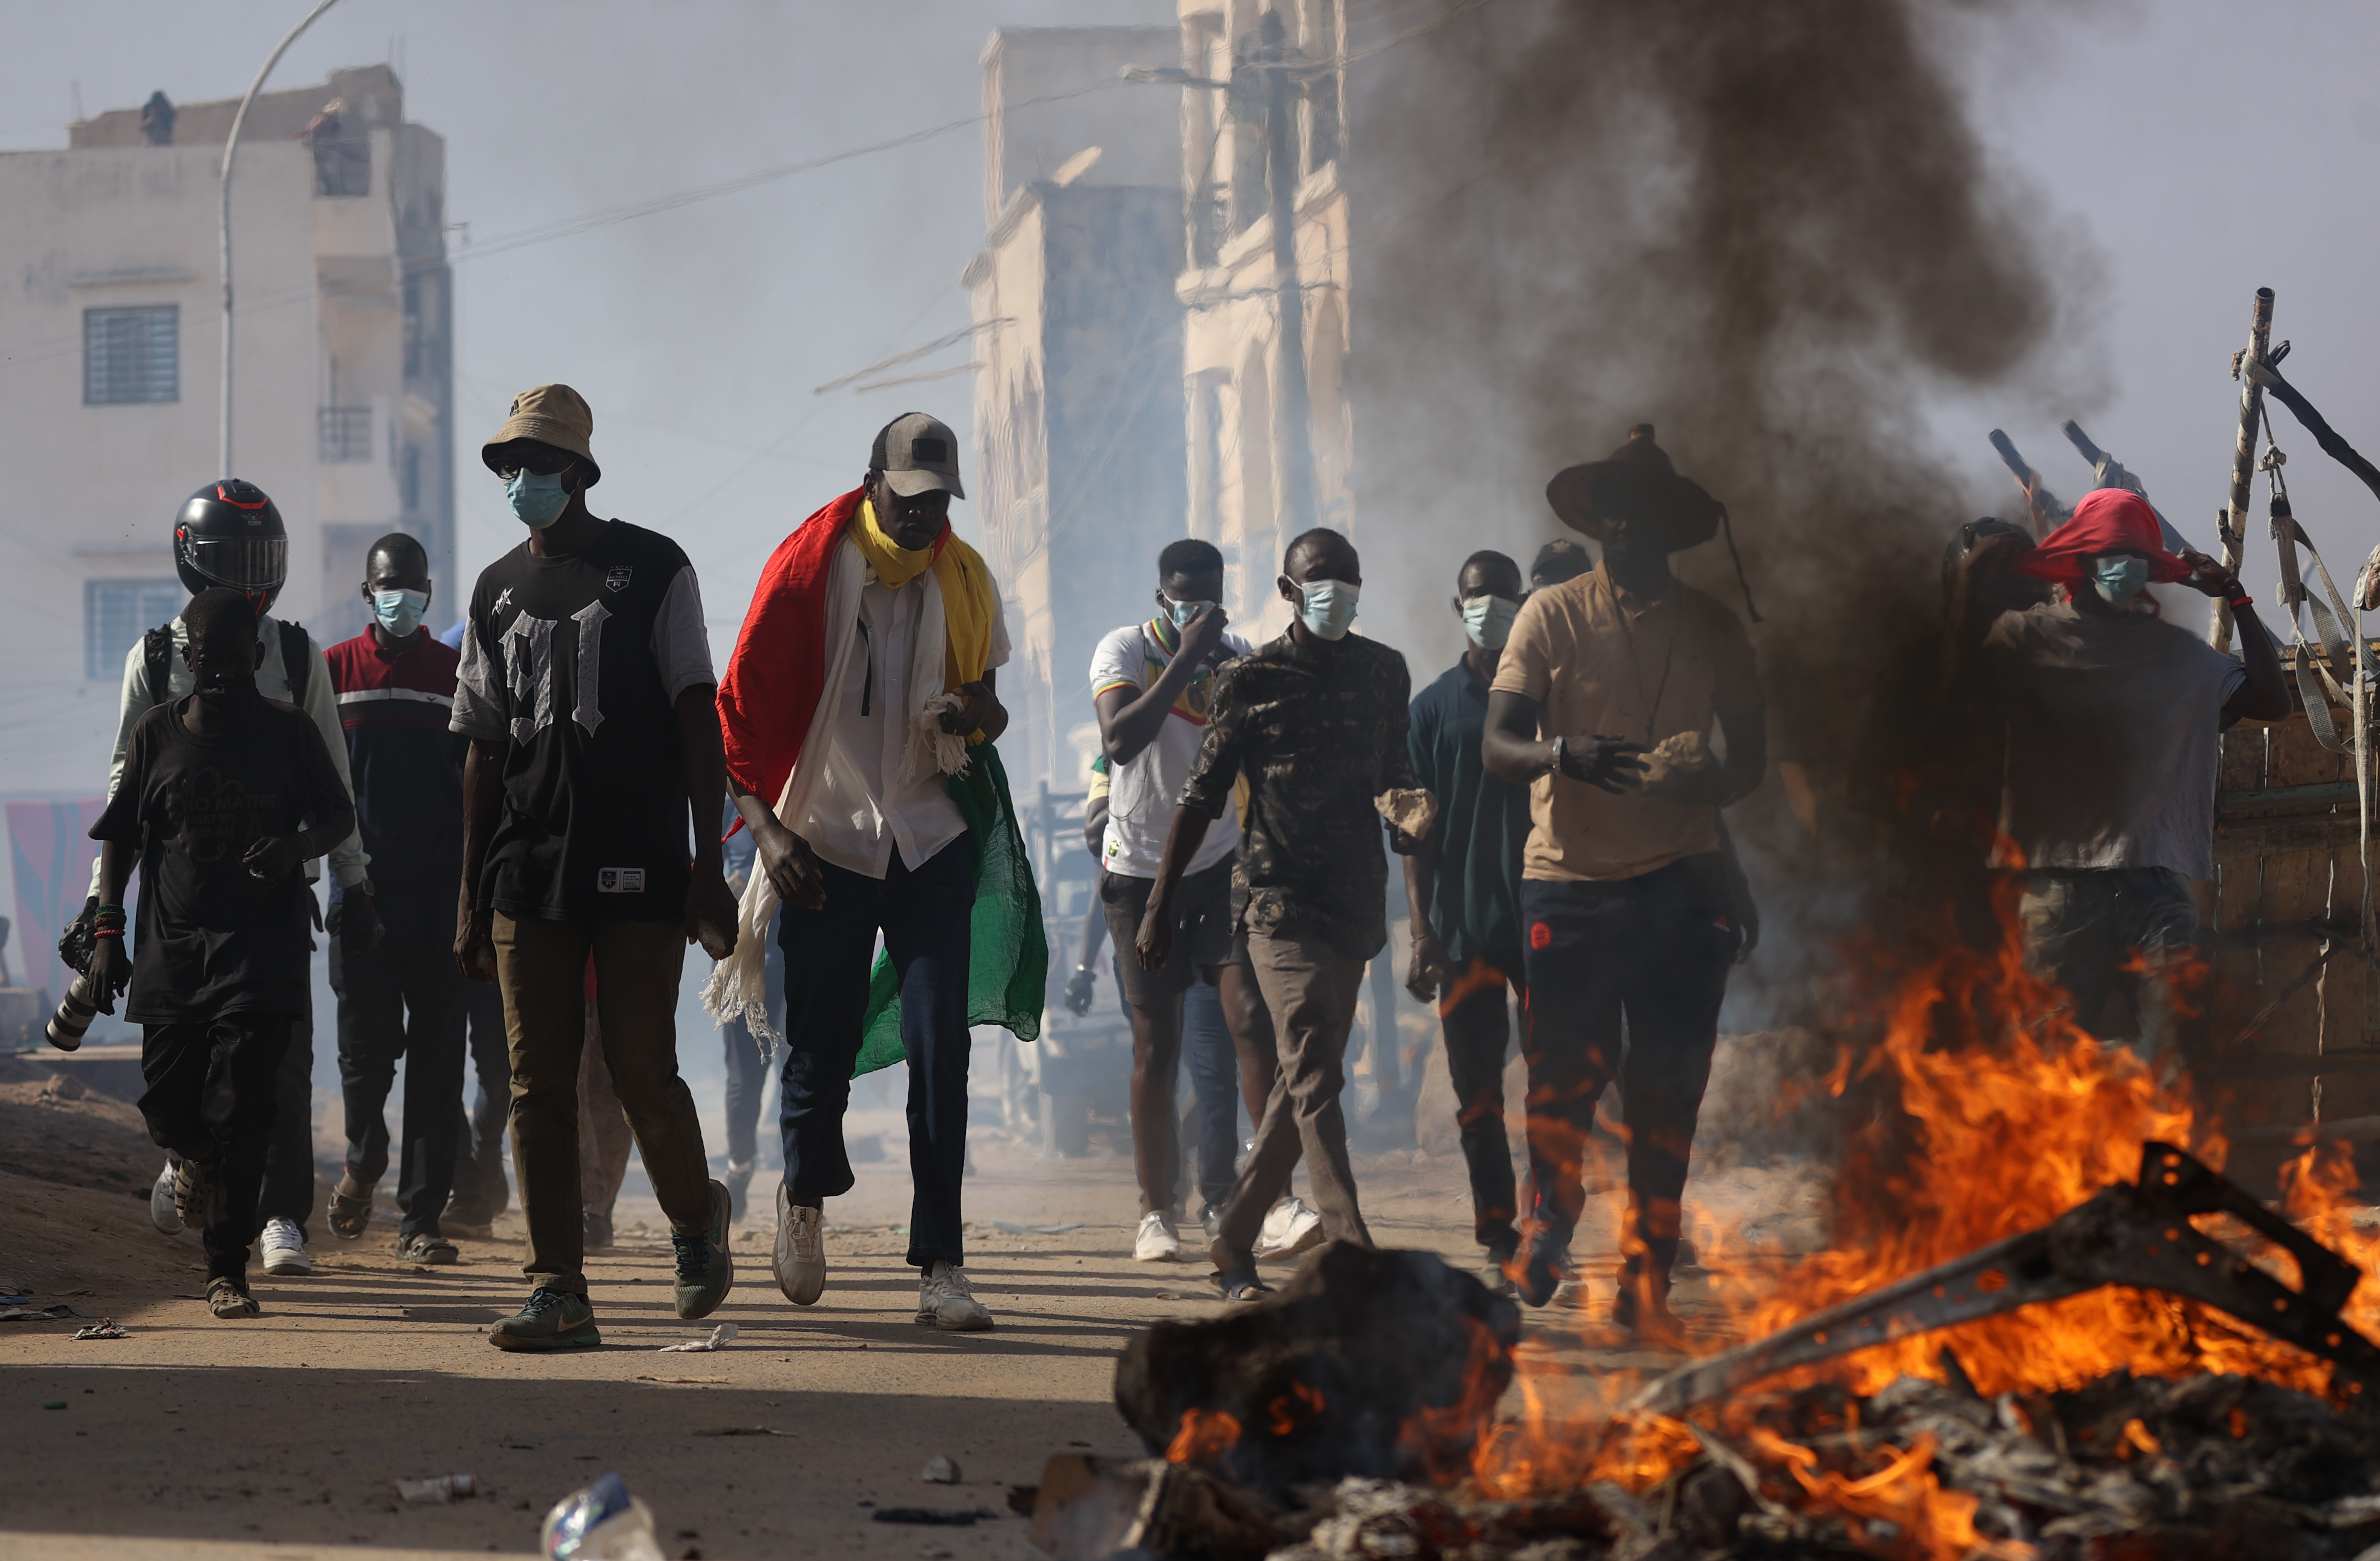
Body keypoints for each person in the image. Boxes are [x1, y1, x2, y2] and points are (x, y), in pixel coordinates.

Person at [710, 412, 1046, 1332]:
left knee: (943, 1053)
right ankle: (803, 1197)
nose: (924, 516)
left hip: (930, 838)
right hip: (824, 841)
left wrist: (972, 711)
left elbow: (993, 710)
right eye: (910, 499)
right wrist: (768, 835)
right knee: (817, 1048)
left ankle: (942, 1265)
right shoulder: (806, 573)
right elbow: (735, 715)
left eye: (939, 500)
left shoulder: (964, 577)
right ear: (873, 485)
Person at [450, 383, 736, 1350]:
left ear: (575, 471)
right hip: (525, 874)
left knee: (640, 1069)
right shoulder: (493, 591)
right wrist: (467, 898)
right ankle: (557, 1288)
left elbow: (697, 718)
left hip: (638, 868)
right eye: (507, 467)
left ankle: (695, 1218)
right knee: (535, 1086)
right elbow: (483, 750)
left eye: (534, 465)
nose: (518, 481)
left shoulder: (654, 569)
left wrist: (707, 867)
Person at [1483, 424, 1766, 1332]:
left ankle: (1647, 1279)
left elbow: (1750, 759)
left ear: (1671, 528)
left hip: (1681, 883)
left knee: (1667, 1092)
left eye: (1639, 515)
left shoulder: (1714, 626)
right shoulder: (1549, 614)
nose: (1622, 529)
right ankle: (1546, 1229)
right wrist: (1559, 753)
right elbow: (1497, 744)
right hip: (1567, 881)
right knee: (1561, 1079)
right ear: (1595, 523)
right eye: (1610, 515)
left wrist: (1708, 782)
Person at [88, 480, 366, 1281]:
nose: (246, 581)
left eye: (258, 562)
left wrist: (350, 882)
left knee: (278, 1074)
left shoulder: (298, 657)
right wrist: (103, 912)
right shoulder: (153, 662)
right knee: (178, 1075)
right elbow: (124, 791)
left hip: (272, 908)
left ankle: (277, 1219)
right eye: (229, 563)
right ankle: (194, 1160)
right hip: (177, 906)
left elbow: (334, 781)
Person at [1139, 527, 1427, 1301]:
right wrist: (1160, 902)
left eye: (1347, 577)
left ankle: (1233, 1240)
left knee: (1310, 1073)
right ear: (1288, 591)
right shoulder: (1249, 679)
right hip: (1275, 900)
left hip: (1353, 902)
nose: (1336, 591)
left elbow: (1398, 778)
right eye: (1319, 579)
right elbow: (1201, 796)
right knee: (1310, 1054)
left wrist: (1415, 818)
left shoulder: (1384, 672)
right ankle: (1351, 1248)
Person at [1973, 487, 2289, 1057]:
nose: (2124, 567)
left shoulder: (2180, 656)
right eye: (2111, 553)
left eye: (2136, 557)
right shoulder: (2025, 638)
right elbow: (1951, 696)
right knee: (2047, 1063)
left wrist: (2236, 597)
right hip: (2062, 883)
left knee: (2177, 1055)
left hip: (2156, 886)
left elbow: (2272, 700)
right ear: (2083, 560)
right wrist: (1975, 591)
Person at [1089, 539, 1261, 1261]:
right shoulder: (1125, 649)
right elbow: (1120, 740)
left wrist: (1223, 666)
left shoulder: (1240, 657)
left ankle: (1271, 1196)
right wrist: (1187, 656)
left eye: (1209, 600)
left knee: (1248, 1018)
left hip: (1218, 863)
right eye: (1186, 600)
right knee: (1156, 1043)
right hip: (1137, 870)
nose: (1199, 611)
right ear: (1163, 598)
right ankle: (1155, 1211)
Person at [322, 533, 469, 1265]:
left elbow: (478, 779)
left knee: (439, 1065)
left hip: (443, 896)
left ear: (429, 594)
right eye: (388, 585)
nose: (400, 597)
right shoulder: (333, 671)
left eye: (412, 586)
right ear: (367, 591)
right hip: (363, 894)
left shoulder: (456, 674)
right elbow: (316, 783)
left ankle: (421, 1220)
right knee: (365, 1056)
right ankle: (364, 1157)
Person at [1404, 549, 1532, 1294]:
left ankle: (1548, 1222)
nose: (1490, 607)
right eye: (1477, 596)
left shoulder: (1543, 698)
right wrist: (1422, 931)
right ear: (1460, 608)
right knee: (1478, 1094)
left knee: (1559, 1083)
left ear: (1524, 601)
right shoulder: (1430, 710)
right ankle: (1498, 1233)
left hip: (1546, 919)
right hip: (1462, 931)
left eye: (1503, 595)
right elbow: (1412, 830)